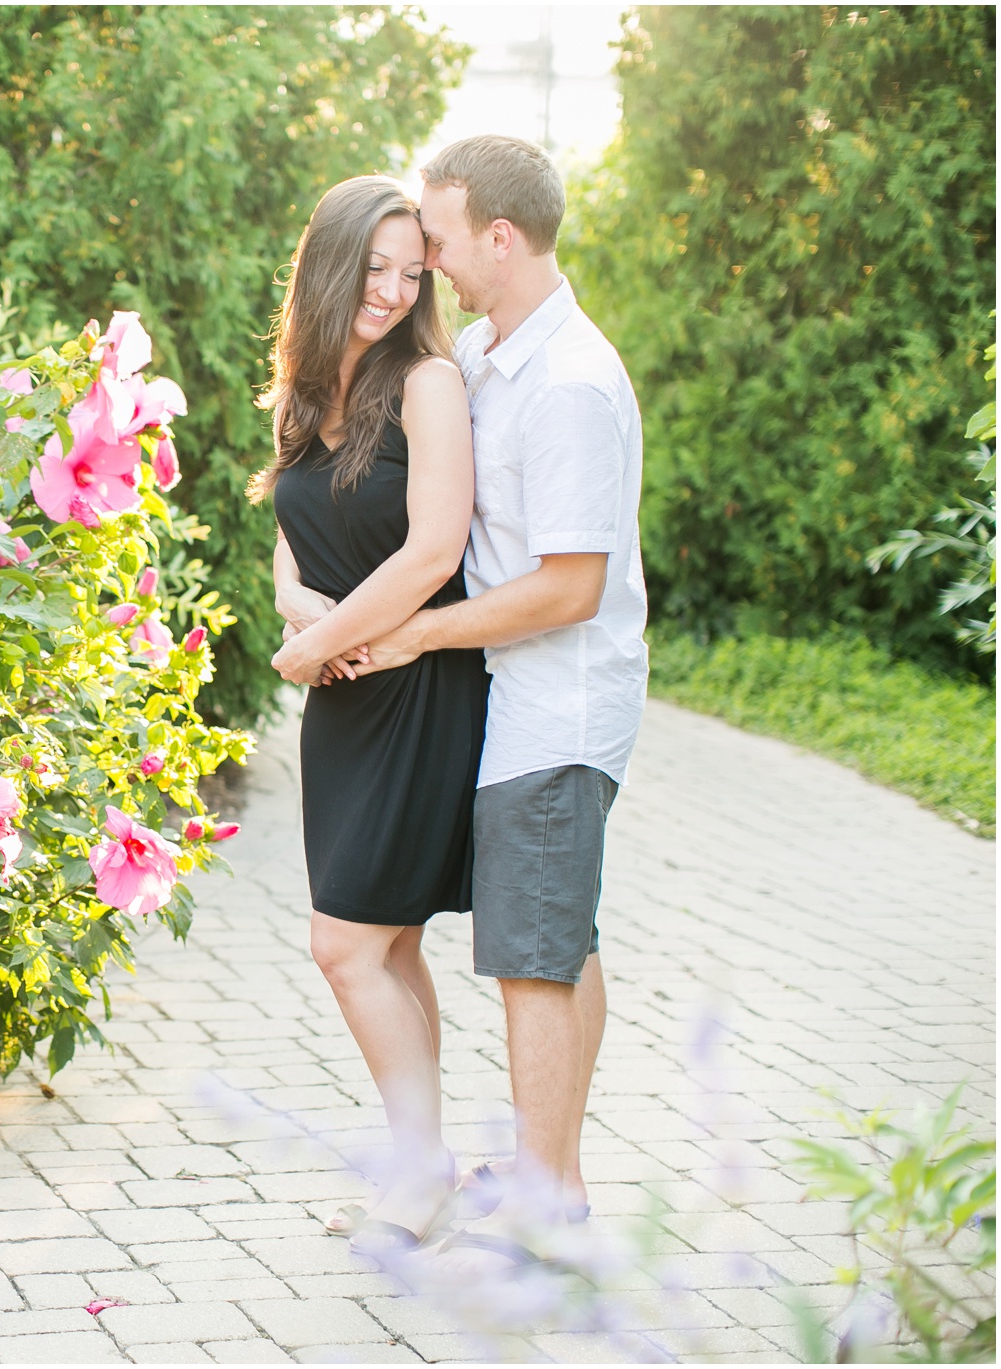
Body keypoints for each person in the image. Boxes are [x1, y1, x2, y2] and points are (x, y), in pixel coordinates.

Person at [342, 134, 649, 1267]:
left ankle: (548, 1206)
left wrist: (417, 628)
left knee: (529, 954)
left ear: (499, 238)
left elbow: (569, 585)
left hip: (554, 707)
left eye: (438, 236)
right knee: (561, 940)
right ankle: (543, 1169)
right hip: (514, 700)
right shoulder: (487, 350)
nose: (428, 257)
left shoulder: (568, 383)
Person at [255, 174, 490, 1255]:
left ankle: (420, 1167)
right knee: (385, 950)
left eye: (412, 271)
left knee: (342, 945)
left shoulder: (427, 382)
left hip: (415, 685)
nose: (393, 291)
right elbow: (289, 546)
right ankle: (420, 1159)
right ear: (327, 265)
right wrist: (300, 616)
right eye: (374, 269)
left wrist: (315, 640)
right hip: (342, 700)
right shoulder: (308, 390)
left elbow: (432, 551)